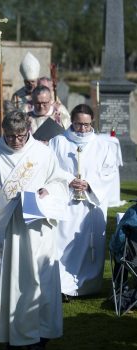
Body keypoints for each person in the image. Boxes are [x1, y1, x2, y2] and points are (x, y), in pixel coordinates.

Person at [0, 110, 68, 350]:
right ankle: (9, 333)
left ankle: (39, 335)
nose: (17, 141)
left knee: (36, 280)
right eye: (11, 137)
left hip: (35, 230)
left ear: (28, 130)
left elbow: (59, 182)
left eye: (21, 135)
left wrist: (46, 193)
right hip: (2, 231)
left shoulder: (42, 154)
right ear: (3, 132)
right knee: (6, 283)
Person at [49, 104, 116, 299]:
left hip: (91, 204)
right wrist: (69, 180)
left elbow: (109, 172)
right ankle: (62, 285)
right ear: (72, 122)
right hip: (66, 201)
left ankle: (87, 285)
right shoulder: (58, 142)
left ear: (92, 122)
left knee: (89, 244)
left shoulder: (103, 145)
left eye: (86, 125)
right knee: (63, 242)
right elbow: (50, 168)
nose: (82, 129)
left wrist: (90, 184)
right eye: (78, 124)